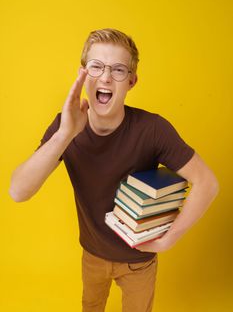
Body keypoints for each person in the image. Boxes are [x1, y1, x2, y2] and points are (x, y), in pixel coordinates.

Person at [9, 28, 219, 312]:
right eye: (96, 66)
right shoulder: (65, 126)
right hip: (92, 254)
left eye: (118, 69)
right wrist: (65, 134)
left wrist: (171, 238)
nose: (106, 77)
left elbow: (207, 183)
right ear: (83, 74)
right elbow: (18, 191)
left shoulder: (153, 129)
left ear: (131, 81)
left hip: (138, 261)